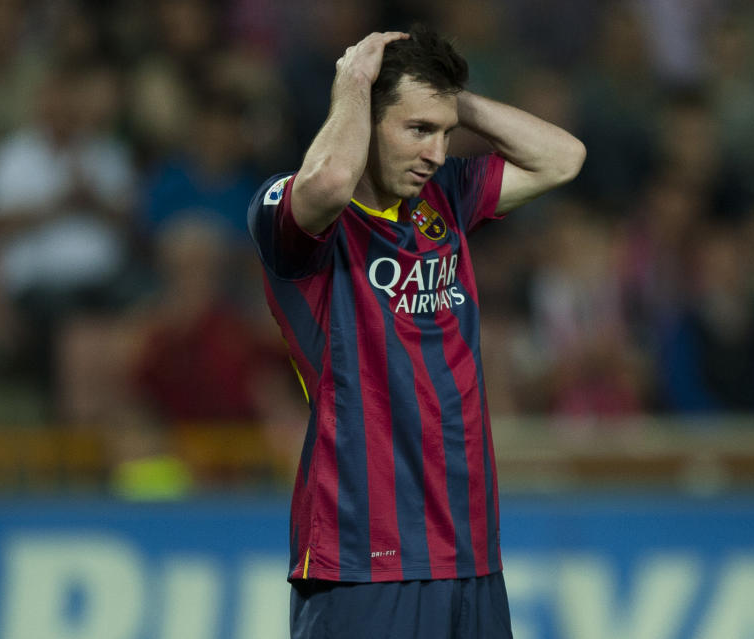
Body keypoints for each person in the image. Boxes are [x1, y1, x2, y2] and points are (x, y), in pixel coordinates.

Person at [247, 25, 585, 639]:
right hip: (363, 560)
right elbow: (326, 182)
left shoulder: (445, 197)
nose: (436, 152)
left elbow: (563, 158)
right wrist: (353, 83)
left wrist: (454, 99)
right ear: (367, 119)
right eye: (417, 130)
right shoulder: (293, 217)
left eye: (445, 133)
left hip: (471, 553)